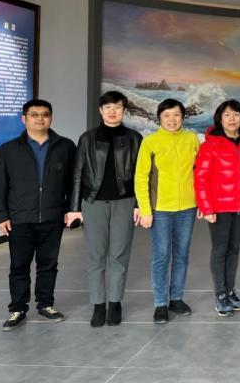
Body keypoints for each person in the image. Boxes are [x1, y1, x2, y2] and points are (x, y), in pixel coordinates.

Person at [0, 99, 76, 331]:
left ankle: (46, 304)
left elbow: (73, 182)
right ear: (24, 118)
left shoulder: (66, 146)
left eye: (45, 114)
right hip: (19, 219)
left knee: (48, 265)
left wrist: (71, 210)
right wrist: (0, 215)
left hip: (52, 217)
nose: (40, 118)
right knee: (19, 265)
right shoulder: (9, 149)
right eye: (34, 114)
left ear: (51, 118)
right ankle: (18, 308)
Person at [66, 91, 142, 327]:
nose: (112, 111)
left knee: (119, 255)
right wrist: (74, 207)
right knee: (95, 256)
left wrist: (139, 204)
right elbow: (77, 173)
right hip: (94, 203)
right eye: (108, 107)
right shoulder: (87, 138)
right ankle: (98, 304)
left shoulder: (134, 138)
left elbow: (141, 175)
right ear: (100, 110)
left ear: (124, 111)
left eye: (117, 107)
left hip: (124, 202)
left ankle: (115, 302)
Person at [134, 98, 200, 324]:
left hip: (187, 208)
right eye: (166, 115)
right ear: (159, 118)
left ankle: (176, 298)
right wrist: (145, 210)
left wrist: (202, 203)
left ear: (183, 117)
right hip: (160, 209)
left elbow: (200, 173)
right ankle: (160, 303)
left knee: (181, 255)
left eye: (176, 115)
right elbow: (141, 178)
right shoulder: (150, 142)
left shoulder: (192, 139)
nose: (172, 120)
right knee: (161, 256)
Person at [195, 100, 240, 317]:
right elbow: (201, 178)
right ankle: (220, 294)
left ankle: (230, 291)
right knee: (220, 249)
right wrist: (206, 207)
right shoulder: (210, 145)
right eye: (227, 115)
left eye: (236, 114)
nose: (232, 119)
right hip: (219, 207)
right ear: (219, 119)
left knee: (234, 249)